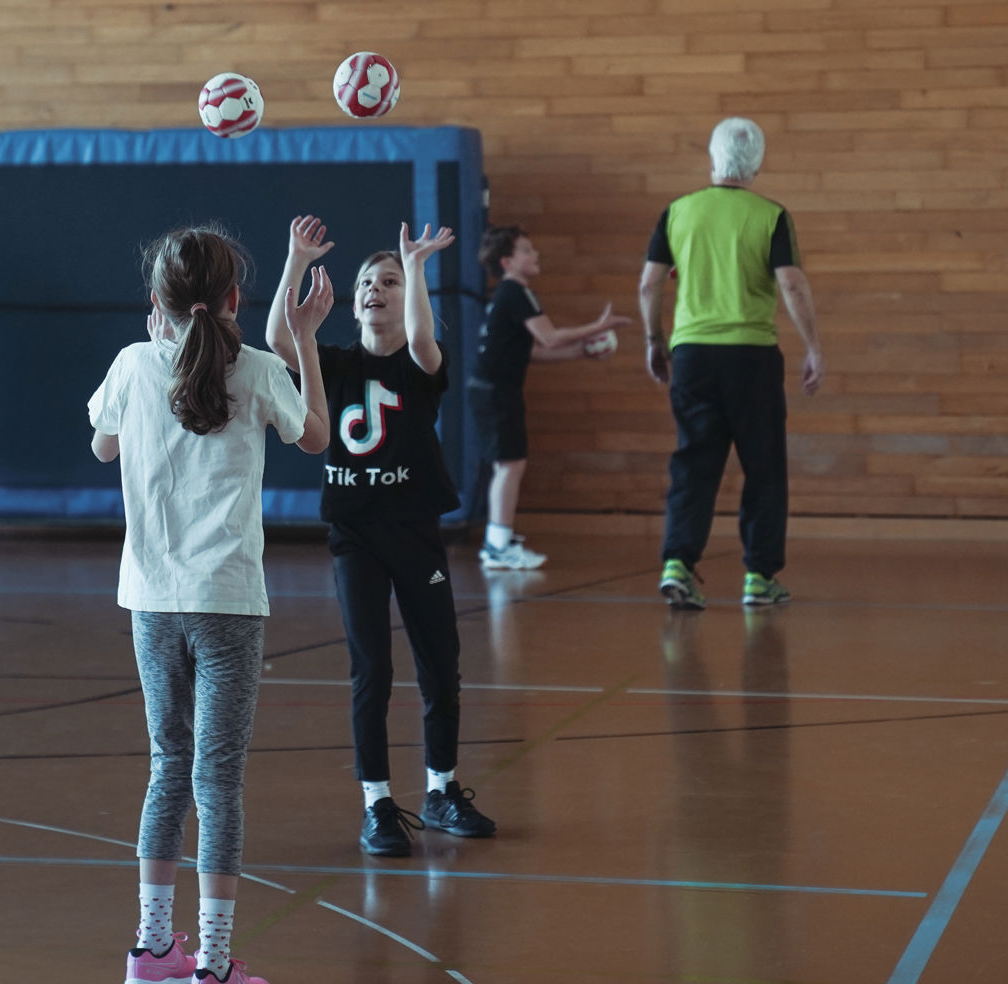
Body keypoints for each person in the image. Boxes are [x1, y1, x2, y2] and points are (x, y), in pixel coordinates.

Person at [89, 225, 332, 984]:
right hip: (227, 600)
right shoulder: (256, 369)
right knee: (217, 780)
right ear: (234, 298)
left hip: (152, 601)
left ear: (156, 302)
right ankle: (215, 964)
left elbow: (102, 445)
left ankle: (152, 949)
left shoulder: (132, 363)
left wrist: (153, 349)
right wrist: (306, 340)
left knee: (168, 766)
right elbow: (316, 437)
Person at [265, 215, 496, 857]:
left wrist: (414, 264)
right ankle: (377, 803)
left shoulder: (422, 365)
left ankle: (441, 790)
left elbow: (421, 335)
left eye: (388, 282)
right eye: (368, 281)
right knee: (372, 668)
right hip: (355, 535)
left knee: (439, 665)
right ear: (353, 301)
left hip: (415, 531)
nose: (376, 289)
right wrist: (295, 259)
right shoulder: (334, 364)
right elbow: (280, 337)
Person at [639, 117, 824, 610]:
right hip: (752, 356)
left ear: (712, 158)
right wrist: (813, 345)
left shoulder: (678, 212)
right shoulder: (771, 216)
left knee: (693, 462)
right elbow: (792, 284)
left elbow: (649, 285)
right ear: (757, 164)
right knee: (763, 465)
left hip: (692, 355)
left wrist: (655, 339)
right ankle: (760, 576)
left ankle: (678, 563)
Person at [470, 225, 630, 569]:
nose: (535, 254)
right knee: (510, 465)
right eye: (526, 250)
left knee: (507, 465)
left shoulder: (508, 294)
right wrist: (599, 327)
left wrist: (580, 352)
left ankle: (498, 541)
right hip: (496, 391)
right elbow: (551, 338)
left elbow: (530, 352)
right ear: (507, 261)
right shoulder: (516, 291)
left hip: (492, 388)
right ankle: (497, 547)